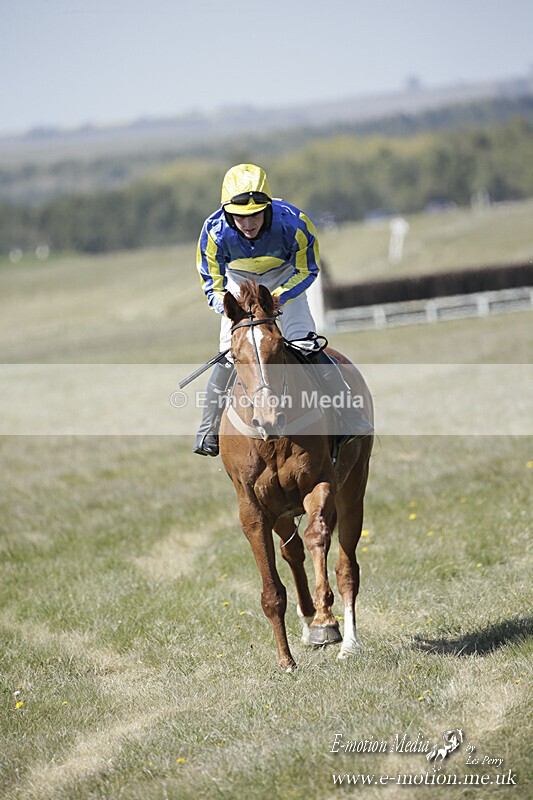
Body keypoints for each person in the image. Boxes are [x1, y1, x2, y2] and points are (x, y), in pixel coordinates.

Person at [193, 163, 373, 456]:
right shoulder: (213, 232)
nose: (248, 224)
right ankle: (208, 431)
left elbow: (308, 269)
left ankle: (349, 417)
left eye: (255, 215)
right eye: (240, 217)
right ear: (228, 213)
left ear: (268, 208)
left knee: (306, 344)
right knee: (229, 352)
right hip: (238, 285)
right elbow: (211, 283)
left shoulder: (295, 224)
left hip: (283, 280)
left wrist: (279, 296)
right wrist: (231, 308)